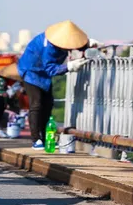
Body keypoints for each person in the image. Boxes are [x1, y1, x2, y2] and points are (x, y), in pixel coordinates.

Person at [17, 20, 100, 150]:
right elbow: (50, 68)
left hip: (44, 76)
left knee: (48, 104)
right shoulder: (48, 47)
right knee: (36, 104)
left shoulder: (63, 41)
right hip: (32, 72)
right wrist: (69, 66)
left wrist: (87, 45)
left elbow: (74, 44)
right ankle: (36, 139)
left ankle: (45, 138)